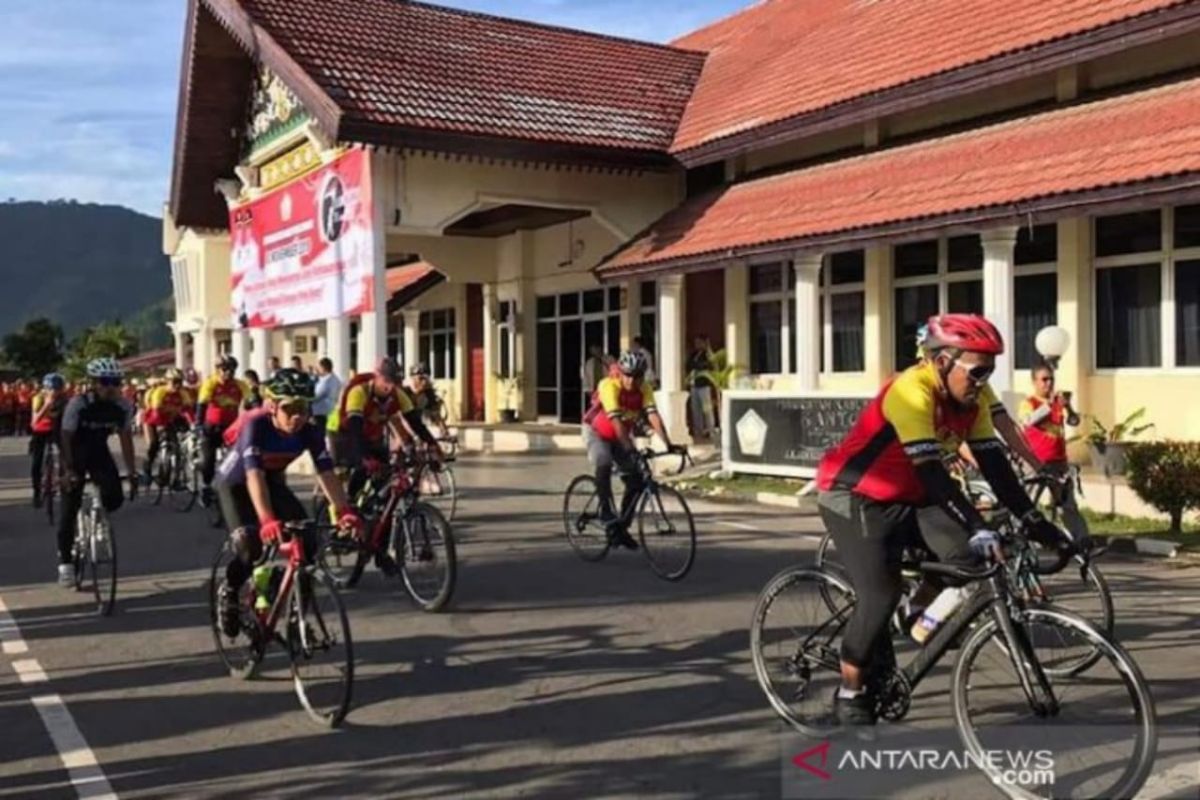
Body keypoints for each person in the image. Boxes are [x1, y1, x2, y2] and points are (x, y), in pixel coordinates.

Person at [815, 314, 1081, 728]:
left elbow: (994, 464)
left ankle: (914, 612)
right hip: (855, 494)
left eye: (989, 371)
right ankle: (850, 688)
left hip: (911, 495)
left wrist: (1038, 524)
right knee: (879, 594)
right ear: (941, 362)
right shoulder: (910, 391)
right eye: (977, 371)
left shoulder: (969, 400)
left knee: (969, 560)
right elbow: (932, 472)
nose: (982, 381)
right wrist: (978, 525)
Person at [214, 369, 361, 638]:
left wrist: (343, 511)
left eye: (303, 408)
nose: (297, 416)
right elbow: (253, 476)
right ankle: (230, 590)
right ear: (272, 406)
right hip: (235, 484)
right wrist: (267, 520)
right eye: (289, 408)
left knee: (308, 544)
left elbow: (326, 473)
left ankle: (297, 620)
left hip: (270, 480)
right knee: (250, 546)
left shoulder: (310, 430)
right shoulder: (256, 426)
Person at [581, 349, 682, 550]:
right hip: (597, 431)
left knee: (636, 479)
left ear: (643, 376)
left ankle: (621, 528)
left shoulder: (644, 389)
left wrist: (668, 444)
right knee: (604, 461)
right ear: (620, 372)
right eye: (627, 375)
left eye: (636, 377)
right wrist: (630, 450)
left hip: (620, 436)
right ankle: (606, 511)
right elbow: (616, 422)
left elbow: (653, 416)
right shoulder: (609, 385)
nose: (631, 381)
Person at [57, 358, 138, 586]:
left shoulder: (123, 406)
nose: (111, 387)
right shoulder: (78, 404)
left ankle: (100, 518)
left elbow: (126, 438)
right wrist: (69, 470)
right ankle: (65, 564)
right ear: (94, 383)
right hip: (73, 449)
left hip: (98, 451)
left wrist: (131, 472)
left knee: (115, 495)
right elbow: (65, 437)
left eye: (115, 382)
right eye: (105, 382)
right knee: (69, 508)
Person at [326, 357, 437, 502]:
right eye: (386, 382)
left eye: (394, 383)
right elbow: (355, 430)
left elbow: (415, 423)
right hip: (342, 431)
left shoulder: (398, 394)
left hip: (369, 433)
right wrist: (365, 458)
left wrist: (433, 444)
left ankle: (376, 511)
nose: (389, 388)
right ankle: (349, 503)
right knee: (362, 467)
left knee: (385, 473)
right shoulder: (359, 392)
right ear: (376, 377)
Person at [1020, 362, 1089, 544]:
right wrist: (1050, 405)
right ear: (1034, 381)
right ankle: (1018, 538)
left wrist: (1068, 407)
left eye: (1051, 379)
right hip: (1037, 462)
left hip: (1059, 462)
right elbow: (1028, 421)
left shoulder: (1057, 404)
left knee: (1068, 505)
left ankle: (1082, 541)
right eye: (1044, 379)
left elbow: (1074, 422)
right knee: (1028, 503)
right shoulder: (1029, 403)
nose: (1048, 383)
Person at [195, 355, 249, 504]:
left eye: (232, 369)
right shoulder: (211, 383)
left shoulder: (240, 385)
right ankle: (205, 486)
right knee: (208, 461)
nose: (228, 372)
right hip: (211, 427)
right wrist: (198, 424)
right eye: (224, 369)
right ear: (217, 370)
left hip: (231, 428)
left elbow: (252, 401)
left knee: (238, 459)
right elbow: (202, 404)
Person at [141, 368, 193, 486]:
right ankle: (146, 471)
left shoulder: (183, 394)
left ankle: (176, 479)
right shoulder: (160, 392)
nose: (177, 385)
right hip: (152, 421)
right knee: (153, 444)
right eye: (174, 382)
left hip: (168, 422)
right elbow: (156, 412)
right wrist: (161, 426)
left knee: (177, 448)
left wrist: (193, 424)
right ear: (167, 381)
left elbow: (189, 411)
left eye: (180, 382)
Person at [30, 373, 70, 508]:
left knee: (66, 454)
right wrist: (47, 404)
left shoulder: (65, 399)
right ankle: (37, 492)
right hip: (40, 430)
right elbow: (35, 421)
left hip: (57, 429)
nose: (55, 392)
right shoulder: (38, 398)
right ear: (46, 389)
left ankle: (65, 482)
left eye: (58, 389)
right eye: (52, 389)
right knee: (37, 461)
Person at [403, 362, 450, 438]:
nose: (424, 382)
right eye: (421, 378)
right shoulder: (405, 392)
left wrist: (443, 429)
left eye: (426, 378)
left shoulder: (428, 394)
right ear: (412, 378)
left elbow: (436, 414)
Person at [687, 335, 716, 439]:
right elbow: (689, 364)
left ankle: (711, 430)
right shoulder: (694, 354)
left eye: (699, 342)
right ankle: (698, 431)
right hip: (694, 384)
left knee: (707, 409)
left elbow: (710, 364)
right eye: (696, 342)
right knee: (696, 410)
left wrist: (708, 347)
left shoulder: (706, 354)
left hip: (704, 385)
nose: (697, 344)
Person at [311, 357, 341, 432]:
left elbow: (315, 396)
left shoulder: (326, 382)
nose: (317, 370)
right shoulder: (336, 379)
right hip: (330, 411)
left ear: (323, 368)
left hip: (321, 412)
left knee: (319, 434)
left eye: (318, 368)